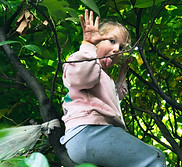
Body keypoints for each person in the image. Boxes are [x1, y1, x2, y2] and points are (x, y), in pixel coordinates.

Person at [60, 9, 166, 167]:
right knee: (154, 159)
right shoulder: (83, 60)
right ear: (97, 39)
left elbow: (117, 96)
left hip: (96, 136)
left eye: (122, 47)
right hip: (89, 132)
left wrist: (123, 70)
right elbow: (81, 77)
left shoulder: (102, 75)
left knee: (156, 154)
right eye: (111, 40)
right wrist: (88, 45)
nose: (117, 49)